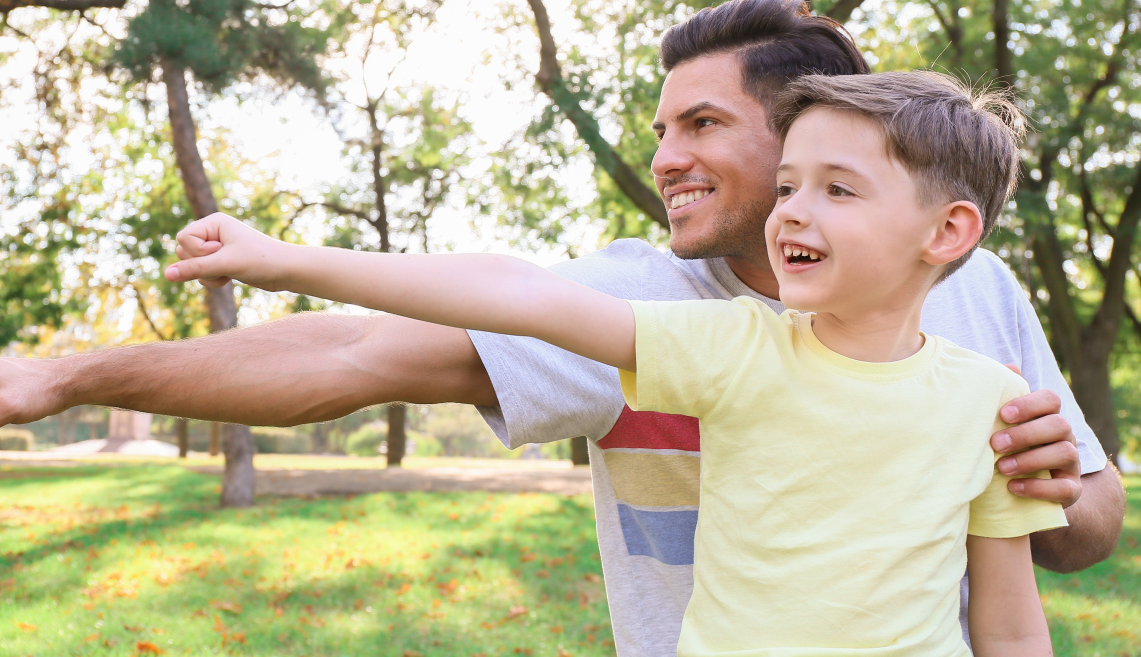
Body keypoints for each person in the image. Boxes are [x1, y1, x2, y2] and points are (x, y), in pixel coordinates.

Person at [0, 0, 1124, 657]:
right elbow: (354, 349)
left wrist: (1055, 484)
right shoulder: (664, 314)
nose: (666, 159)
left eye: (702, 125)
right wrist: (71, 373)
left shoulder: (975, 305)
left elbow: (1073, 538)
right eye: (659, 131)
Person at [154, 69, 1069, 655]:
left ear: (948, 231)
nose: (792, 209)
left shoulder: (991, 401)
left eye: (838, 189)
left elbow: (1009, 621)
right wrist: (284, 259)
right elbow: (522, 294)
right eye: (789, 183)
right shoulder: (732, 349)